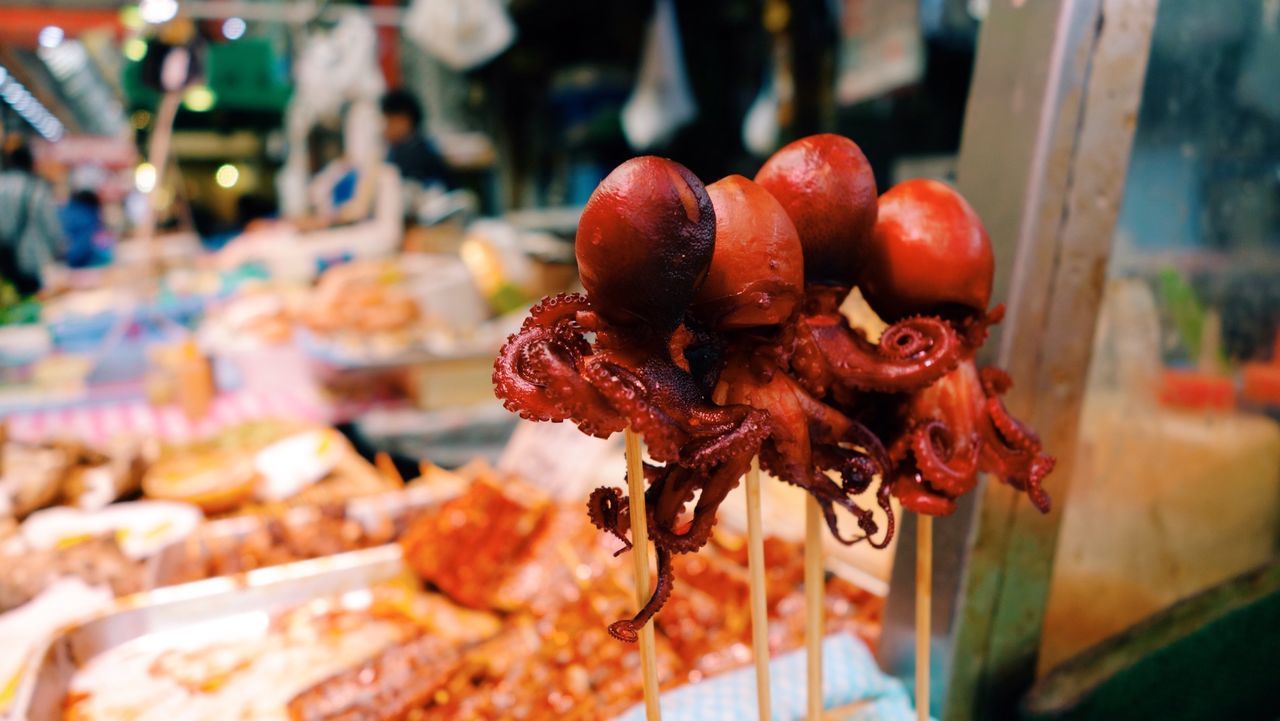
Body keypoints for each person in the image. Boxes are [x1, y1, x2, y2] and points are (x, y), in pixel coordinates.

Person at [0, 143, 64, 293]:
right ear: (30, 162)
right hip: (34, 262)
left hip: (5, 262)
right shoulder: (37, 189)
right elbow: (52, 228)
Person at [380, 89, 452, 189]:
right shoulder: (399, 148)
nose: (384, 129)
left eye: (389, 122)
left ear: (404, 121)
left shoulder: (414, 152)